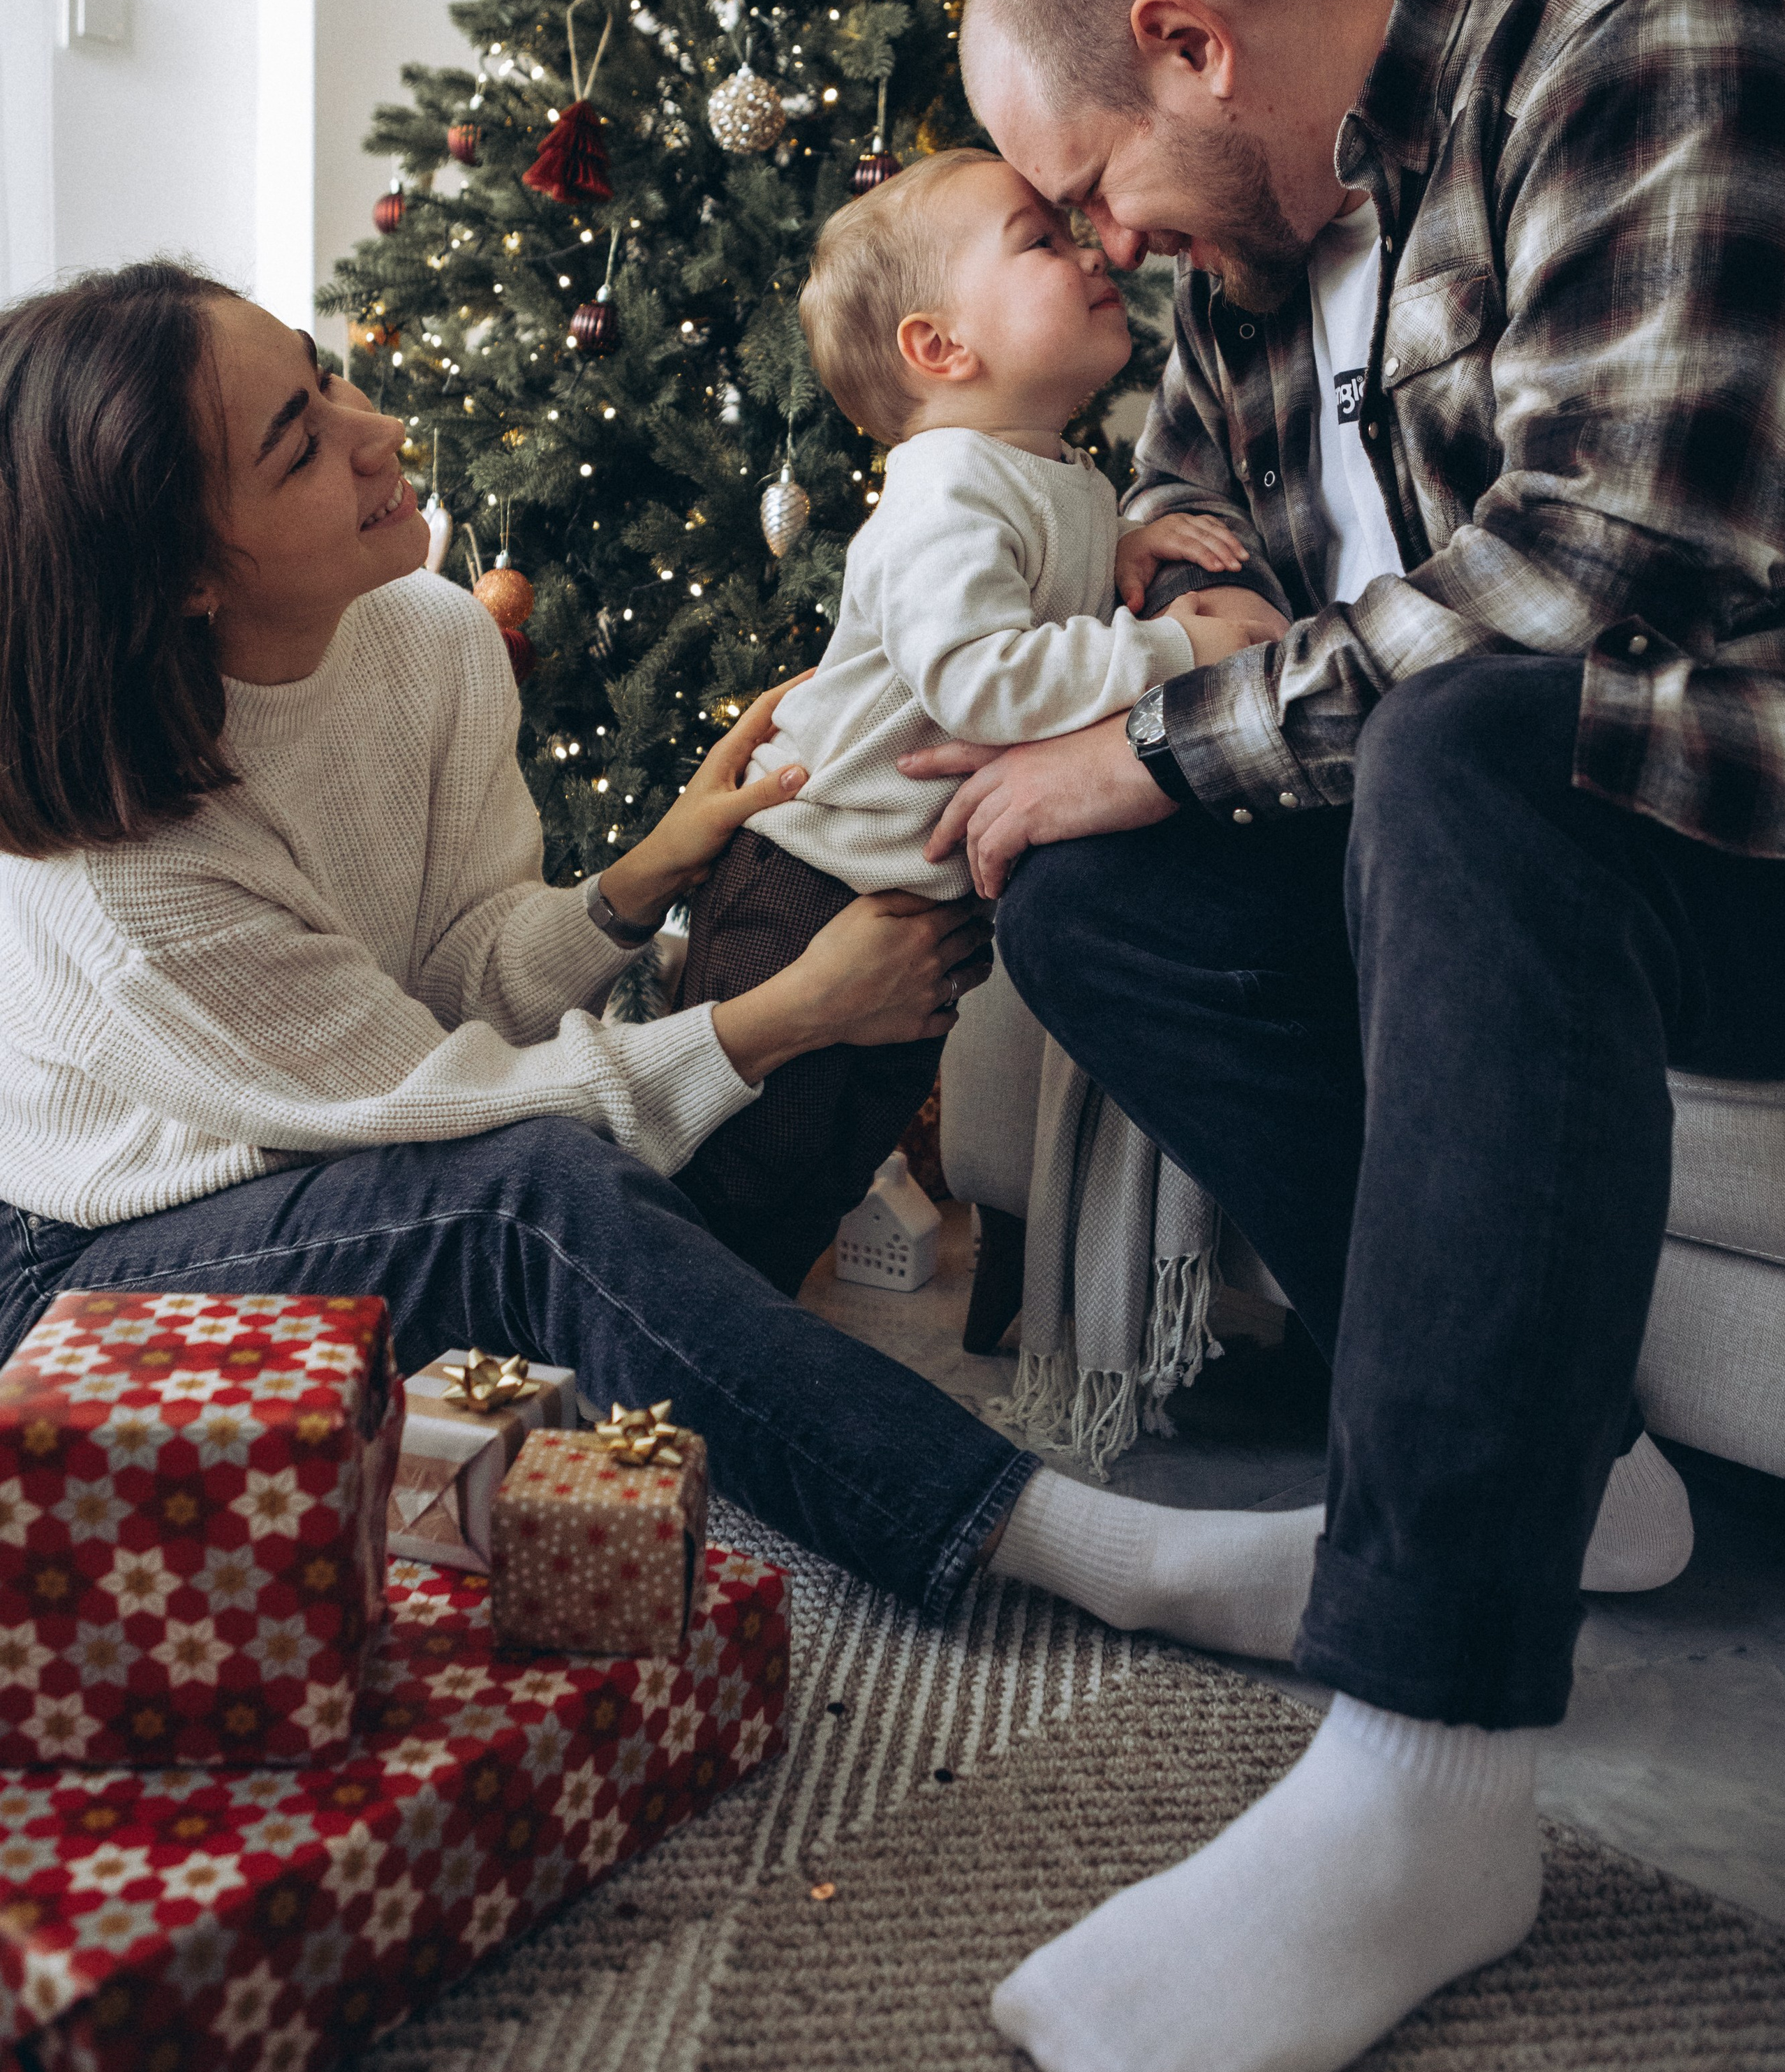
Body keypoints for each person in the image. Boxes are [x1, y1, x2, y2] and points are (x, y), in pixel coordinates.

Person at [895, 0, 1785, 2072]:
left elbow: (1599, 574)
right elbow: (1181, 504)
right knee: (1086, 894)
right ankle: (1583, 1469)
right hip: (1478, 822)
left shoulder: (1639, 37)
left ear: (1193, 45)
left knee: (1471, 740)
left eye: (1090, 188)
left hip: (1730, 822)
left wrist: (1163, 729)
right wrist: (1177, 584)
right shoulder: (1252, 258)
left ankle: (1428, 1765)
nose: (1100, 248)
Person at [0, 258, 1376, 1662]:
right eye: (300, 444)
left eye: (327, 375)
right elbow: (445, 1108)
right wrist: (783, 1015)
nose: (378, 431)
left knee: (577, 1207)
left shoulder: (425, 635)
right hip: (96, 1264)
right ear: (183, 574)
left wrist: (636, 879)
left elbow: (452, 974)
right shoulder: (128, 875)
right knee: (530, 1204)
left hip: (340, 1137)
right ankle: (1101, 1556)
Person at [674, 145, 1264, 1292]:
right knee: (746, 1162)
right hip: (807, 878)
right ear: (940, 347)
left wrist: (1122, 548)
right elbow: (980, 679)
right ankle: (664, 1343)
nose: (1091, 251)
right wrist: (1176, 648)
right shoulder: (943, 484)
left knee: (831, 1164)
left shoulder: (1047, 473)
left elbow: (1030, 594)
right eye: (1041, 241)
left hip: (906, 899)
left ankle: (745, 1344)